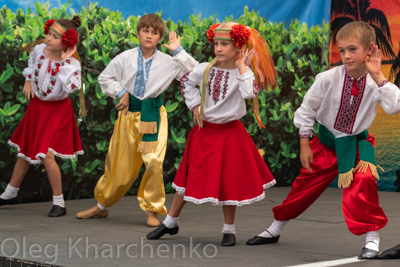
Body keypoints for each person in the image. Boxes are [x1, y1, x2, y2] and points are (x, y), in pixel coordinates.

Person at [246, 21, 400, 259]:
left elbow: (394, 107)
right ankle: (275, 228)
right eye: (342, 50)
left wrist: (379, 74)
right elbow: (307, 110)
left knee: (365, 184)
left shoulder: (375, 82)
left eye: (352, 49)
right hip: (325, 146)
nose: (346, 56)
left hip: (359, 147)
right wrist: (304, 143)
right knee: (302, 188)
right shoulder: (328, 78)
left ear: (370, 49)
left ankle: (372, 239)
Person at [146, 21, 277, 246]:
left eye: (225, 44)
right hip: (204, 132)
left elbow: (249, 93)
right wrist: (195, 105)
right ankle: (170, 222)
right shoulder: (206, 68)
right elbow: (187, 80)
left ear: (238, 47)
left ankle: (229, 229)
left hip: (230, 135)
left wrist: (243, 67)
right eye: (216, 43)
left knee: (228, 181)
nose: (218, 48)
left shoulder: (242, 74)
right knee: (186, 178)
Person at [75, 14, 198, 227]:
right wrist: (121, 92)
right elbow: (105, 78)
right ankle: (102, 206)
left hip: (154, 117)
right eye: (146, 31)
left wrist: (178, 51)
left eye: (155, 32)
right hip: (127, 118)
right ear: (138, 33)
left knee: (153, 162)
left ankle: (152, 211)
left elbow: (196, 73)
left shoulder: (170, 62)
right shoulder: (125, 57)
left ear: (160, 37)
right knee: (119, 165)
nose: (149, 36)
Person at [0, 16, 84, 217]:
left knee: (46, 155)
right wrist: (28, 79)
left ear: (67, 43)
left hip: (58, 112)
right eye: (49, 34)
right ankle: (10, 193)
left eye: (55, 37)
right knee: (25, 151)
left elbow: (72, 87)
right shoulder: (39, 51)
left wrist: (65, 61)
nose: (48, 39)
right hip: (37, 108)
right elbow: (32, 63)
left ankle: (59, 203)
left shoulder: (72, 64)